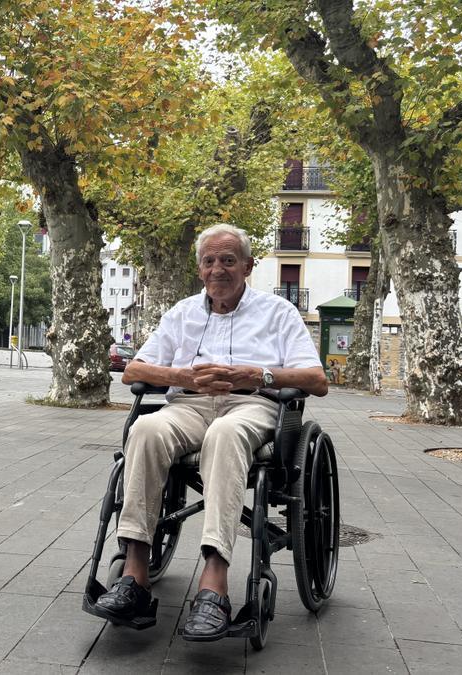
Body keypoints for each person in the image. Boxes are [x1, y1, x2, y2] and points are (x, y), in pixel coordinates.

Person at [92, 223, 328, 641]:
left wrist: (257, 374)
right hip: (189, 404)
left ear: (248, 266)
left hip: (251, 405)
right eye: (210, 260)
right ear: (200, 268)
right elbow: (134, 370)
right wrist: (180, 374)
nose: (218, 268)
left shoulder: (278, 313)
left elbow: (316, 379)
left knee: (225, 434)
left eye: (228, 260)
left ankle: (214, 584)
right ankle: (135, 577)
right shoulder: (181, 313)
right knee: (145, 429)